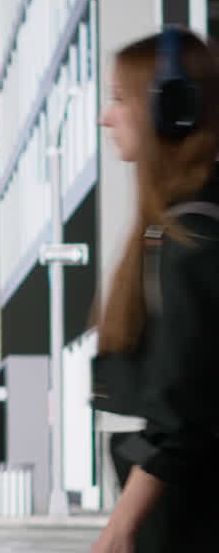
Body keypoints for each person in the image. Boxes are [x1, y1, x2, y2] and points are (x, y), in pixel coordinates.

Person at [91, 28, 219, 553]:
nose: (106, 116)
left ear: (172, 111)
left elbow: (181, 417)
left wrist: (119, 529)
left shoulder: (191, 239)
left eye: (120, 99)